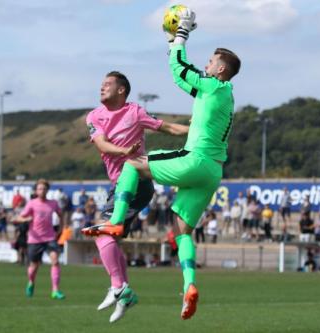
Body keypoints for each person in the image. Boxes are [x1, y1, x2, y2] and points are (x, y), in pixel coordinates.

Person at [84, 9, 240, 320]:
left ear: (221, 69)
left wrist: (180, 36)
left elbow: (179, 70)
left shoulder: (213, 86)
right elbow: (189, 71)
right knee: (181, 232)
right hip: (212, 172)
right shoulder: (223, 93)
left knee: (132, 164)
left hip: (195, 161)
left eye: (211, 62)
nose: (206, 65)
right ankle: (189, 287)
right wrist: (172, 41)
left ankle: (115, 221)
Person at [79, 69, 189, 324]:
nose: (101, 87)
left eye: (107, 84)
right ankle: (122, 290)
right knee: (108, 239)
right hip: (119, 184)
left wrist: (196, 125)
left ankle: (119, 288)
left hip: (137, 182)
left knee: (104, 233)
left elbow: (168, 128)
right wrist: (123, 150)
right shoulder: (94, 116)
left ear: (121, 90)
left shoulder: (135, 111)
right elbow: (102, 144)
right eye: (101, 83)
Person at [14, 179, 65, 300]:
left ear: (47, 190)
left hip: (50, 237)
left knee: (55, 260)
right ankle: (31, 282)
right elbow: (19, 218)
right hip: (34, 239)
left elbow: (60, 215)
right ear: (36, 191)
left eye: (44, 188)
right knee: (34, 266)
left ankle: (55, 290)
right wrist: (26, 219)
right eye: (40, 188)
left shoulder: (53, 203)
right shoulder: (31, 203)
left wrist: (60, 229)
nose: (42, 191)